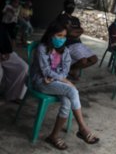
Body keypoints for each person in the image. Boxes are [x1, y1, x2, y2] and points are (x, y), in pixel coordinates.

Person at [31, 21, 99, 150]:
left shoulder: (65, 51)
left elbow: (65, 70)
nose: (62, 39)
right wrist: (63, 80)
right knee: (72, 91)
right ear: (51, 35)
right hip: (41, 82)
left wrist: (59, 78)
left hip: (55, 82)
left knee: (67, 102)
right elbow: (45, 71)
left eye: (64, 36)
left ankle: (54, 136)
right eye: (59, 35)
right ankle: (83, 128)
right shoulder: (42, 48)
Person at [57, 0, 98, 79]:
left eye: (72, 6)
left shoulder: (76, 19)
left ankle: (72, 69)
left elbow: (80, 30)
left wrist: (72, 30)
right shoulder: (61, 17)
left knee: (94, 59)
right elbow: (69, 33)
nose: (71, 8)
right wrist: (75, 32)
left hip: (79, 43)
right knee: (83, 61)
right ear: (65, 7)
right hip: (69, 44)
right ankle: (70, 70)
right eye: (69, 6)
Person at [0, 23, 27, 102]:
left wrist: (6, 51)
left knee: (23, 67)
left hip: (4, 52)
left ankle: (14, 95)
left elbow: (3, 36)